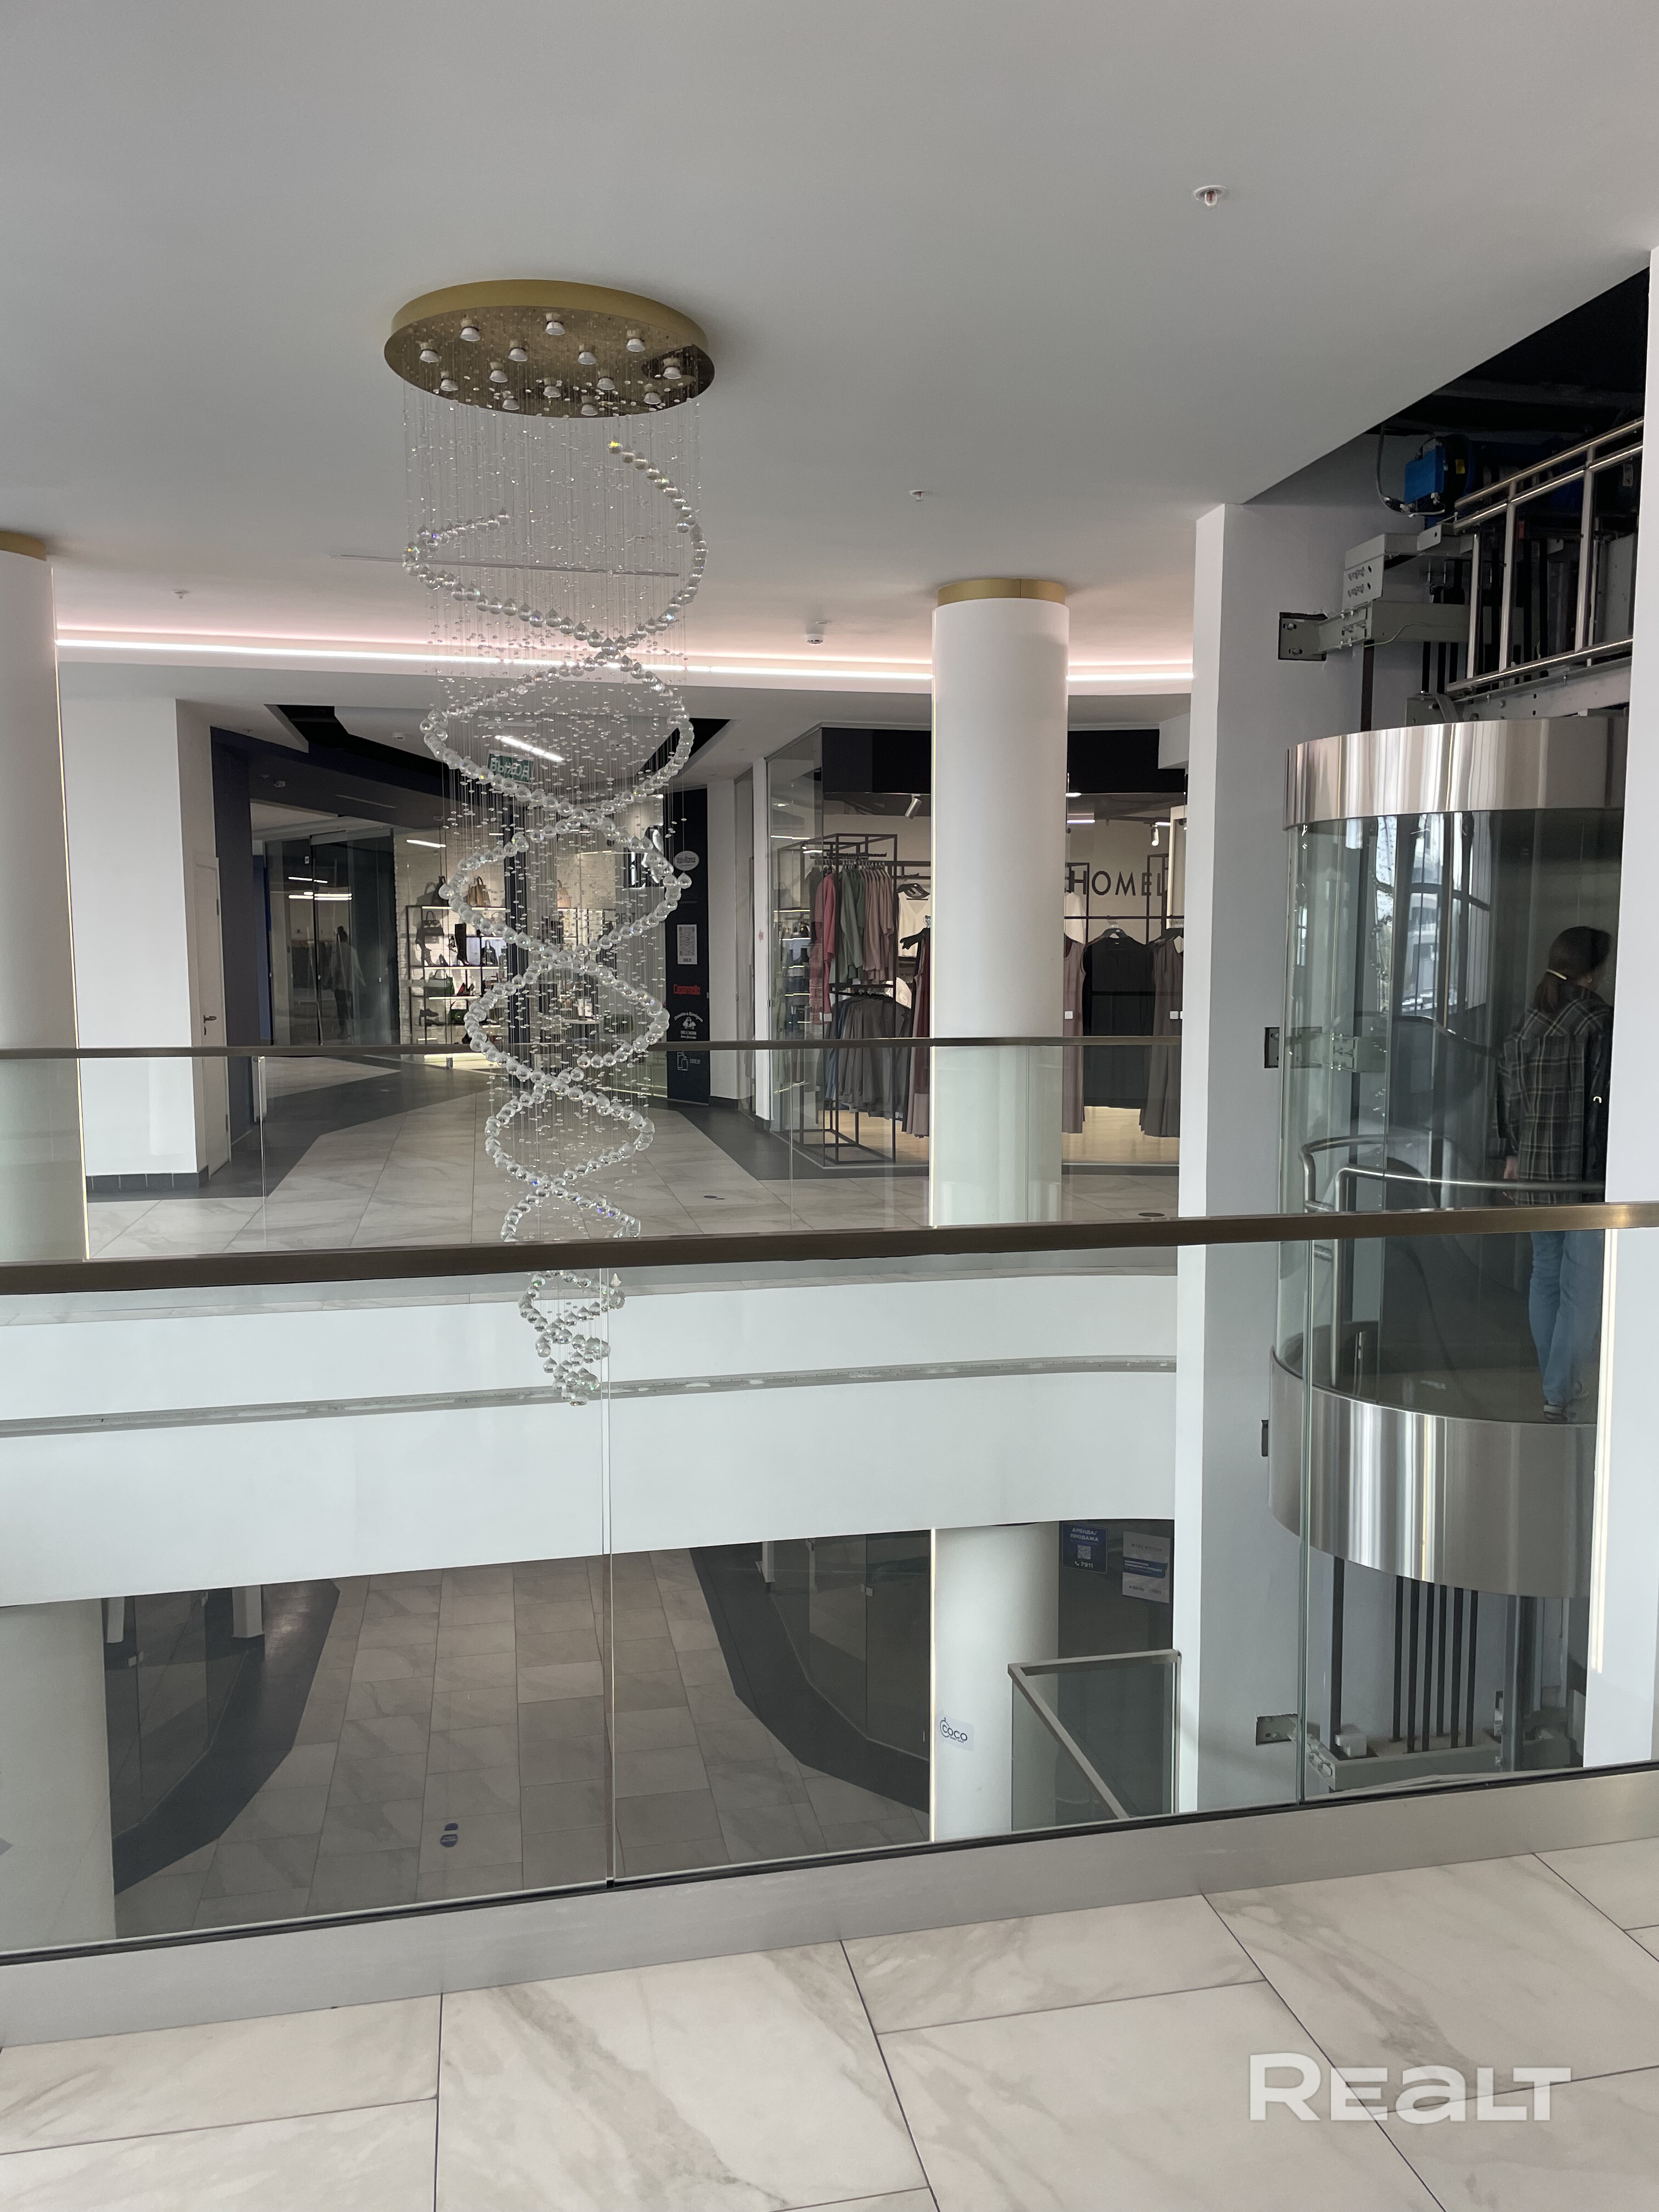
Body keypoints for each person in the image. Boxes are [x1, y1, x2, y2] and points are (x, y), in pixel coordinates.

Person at [1497, 926, 1613, 1420]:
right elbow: (1604, 1103)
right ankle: (1560, 1390)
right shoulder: (1598, 1020)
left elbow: (1511, 1100)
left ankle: (1556, 1388)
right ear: (1593, 972)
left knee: (1545, 1275)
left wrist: (1513, 1154)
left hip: (1535, 1171)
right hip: (1584, 1173)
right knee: (1581, 1287)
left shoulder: (1528, 1023)